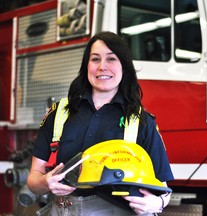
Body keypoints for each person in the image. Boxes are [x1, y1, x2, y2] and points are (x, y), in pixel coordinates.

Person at [27, 31, 174, 215]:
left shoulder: (142, 122)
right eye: (95, 59)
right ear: (86, 65)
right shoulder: (59, 113)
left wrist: (157, 204)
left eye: (111, 59)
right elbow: (34, 179)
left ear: (124, 66)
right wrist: (44, 182)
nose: (102, 66)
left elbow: (163, 188)